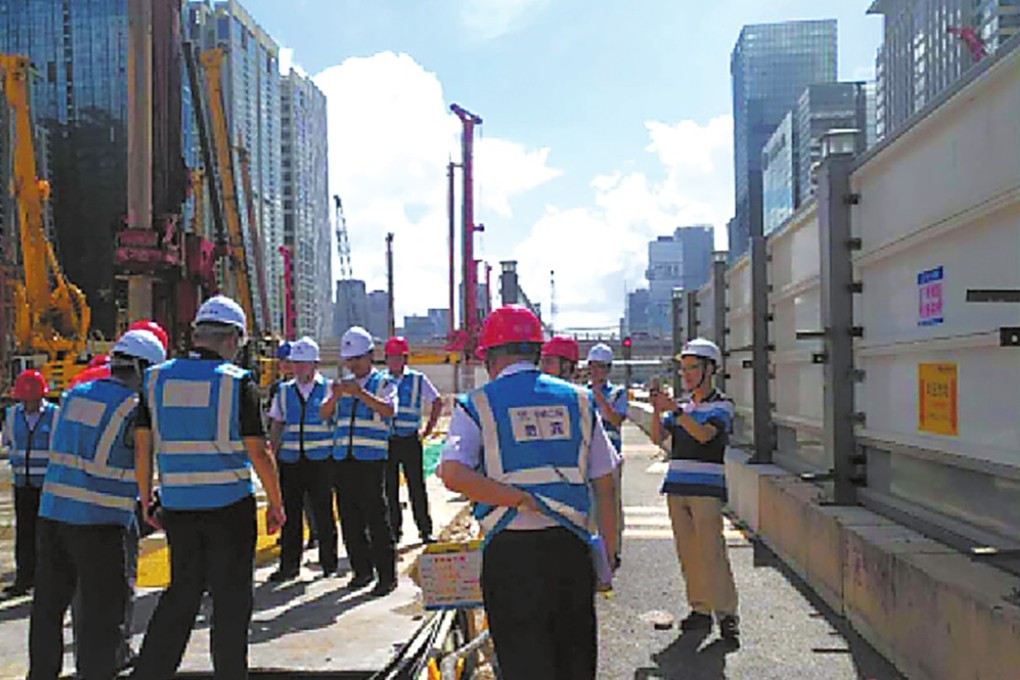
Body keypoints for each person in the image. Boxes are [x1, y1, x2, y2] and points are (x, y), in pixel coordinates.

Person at [438, 305, 621, 680]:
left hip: (510, 555)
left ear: (489, 356)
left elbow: (453, 473)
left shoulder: (478, 404)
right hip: (570, 550)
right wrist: (608, 553)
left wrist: (516, 498)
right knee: (574, 661)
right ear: (537, 352)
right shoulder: (580, 401)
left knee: (523, 663)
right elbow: (606, 480)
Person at [131, 295, 286, 679]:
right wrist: (276, 503)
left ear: (198, 334)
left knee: (181, 594)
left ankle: (151, 672)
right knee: (231, 604)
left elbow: (142, 443)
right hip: (229, 509)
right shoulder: (236, 382)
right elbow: (259, 451)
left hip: (180, 507)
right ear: (233, 339)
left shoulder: (155, 378)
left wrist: (146, 497)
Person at [28, 329, 165, 679]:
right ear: (143, 369)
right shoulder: (134, 409)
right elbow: (144, 463)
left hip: (53, 516)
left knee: (47, 609)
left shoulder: (75, 394)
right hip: (101, 523)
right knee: (103, 618)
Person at [650, 337, 739, 641]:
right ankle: (700, 609)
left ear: (710, 369)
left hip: (706, 489)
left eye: (692, 368)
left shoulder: (722, 405)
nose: (686, 374)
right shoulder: (684, 407)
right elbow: (658, 438)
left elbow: (703, 435)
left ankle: (727, 614)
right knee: (688, 552)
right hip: (677, 486)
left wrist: (674, 410)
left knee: (712, 551)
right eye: (683, 368)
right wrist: (656, 409)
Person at [319, 326, 398, 597]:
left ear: (370, 356)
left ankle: (386, 576)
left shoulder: (383, 383)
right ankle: (361, 571)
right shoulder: (340, 386)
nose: (353, 364)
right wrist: (337, 396)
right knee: (350, 519)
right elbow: (323, 414)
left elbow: (388, 410)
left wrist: (360, 394)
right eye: (349, 359)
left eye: (358, 358)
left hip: (371, 460)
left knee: (376, 518)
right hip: (343, 459)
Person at [267, 336, 338, 581]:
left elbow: (335, 423)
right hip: (291, 461)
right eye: (295, 363)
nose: (298, 368)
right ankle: (289, 566)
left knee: (323, 513)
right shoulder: (284, 391)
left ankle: (329, 563)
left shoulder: (329, 389)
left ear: (315, 364)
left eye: (303, 363)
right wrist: (271, 455)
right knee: (291, 515)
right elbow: (277, 423)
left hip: (320, 461)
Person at [2, 369, 58, 597]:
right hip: (22, 484)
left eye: (31, 399)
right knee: (24, 534)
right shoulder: (13, 415)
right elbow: (6, 441)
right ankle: (24, 579)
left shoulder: (54, 415)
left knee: (46, 535)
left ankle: (46, 580)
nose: (28, 404)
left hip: (47, 486)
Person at [382, 336, 442, 545]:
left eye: (398, 357)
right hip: (388, 441)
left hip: (409, 440)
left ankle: (425, 530)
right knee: (389, 489)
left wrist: (428, 430)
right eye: (391, 357)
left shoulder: (417, 379)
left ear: (405, 358)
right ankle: (393, 531)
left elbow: (437, 401)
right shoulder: (380, 380)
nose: (394, 362)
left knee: (416, 486)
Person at [586, 343, 628, 566]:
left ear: (608, 369)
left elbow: (617, 420)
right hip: (585, 456)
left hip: (611, 456)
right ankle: (592, 549)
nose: (596, 371)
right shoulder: (580, 393)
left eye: (601, 367)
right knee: (589, 504)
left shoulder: (617, 393)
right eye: (593, 366)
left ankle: (613, 550)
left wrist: (599, 399)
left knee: (612, 504)